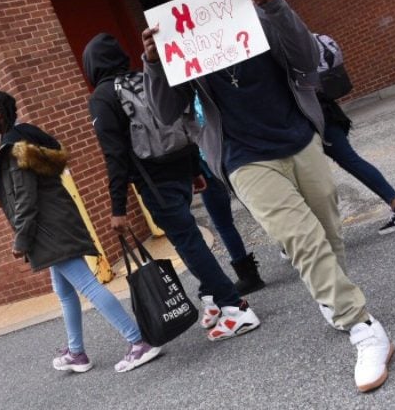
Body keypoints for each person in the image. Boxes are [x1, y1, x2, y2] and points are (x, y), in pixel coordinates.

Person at [142, 0, 395, 393]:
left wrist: (277, 6)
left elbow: (307, 61)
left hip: (298, 139)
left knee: (327, 233)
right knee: (300, 240)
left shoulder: (257, 13)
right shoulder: (179, 43)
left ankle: (331, 297)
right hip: (243, 158)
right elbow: (165, 113)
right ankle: (363, 328)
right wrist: (153, 64)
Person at [81, 33, 261, 341]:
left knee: (188, 241)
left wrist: (118, 209)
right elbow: (180, 119)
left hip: (154, 183)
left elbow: (115, 156)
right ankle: (214, 298)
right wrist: (194, 170)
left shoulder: (103, 97)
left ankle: (235, 308)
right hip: (181, 168)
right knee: (191, 238)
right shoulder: (144, 78)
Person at [0, 90, 161, 373]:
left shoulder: (14, 148)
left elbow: (26, 199)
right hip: (57, 222)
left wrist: (21, 240)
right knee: (63, 291)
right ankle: (77, 353)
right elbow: (32, 187)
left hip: (48, 230)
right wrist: (0, 193)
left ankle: (138, 343)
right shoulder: (27, 138)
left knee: (87, 285)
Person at [312, 34, 395, 235]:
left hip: (306, 117)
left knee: (304, 174)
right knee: (351, 160)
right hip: (325, 109)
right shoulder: (302, 34)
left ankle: (302, 234)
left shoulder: (274, 40)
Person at [193, 97, 265, 294]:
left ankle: (248, 274)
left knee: (223, 222)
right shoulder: (207, 83)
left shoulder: (176, 93)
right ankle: (288, 245)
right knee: (257, 203)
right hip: (235, 149)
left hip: (206, 160)